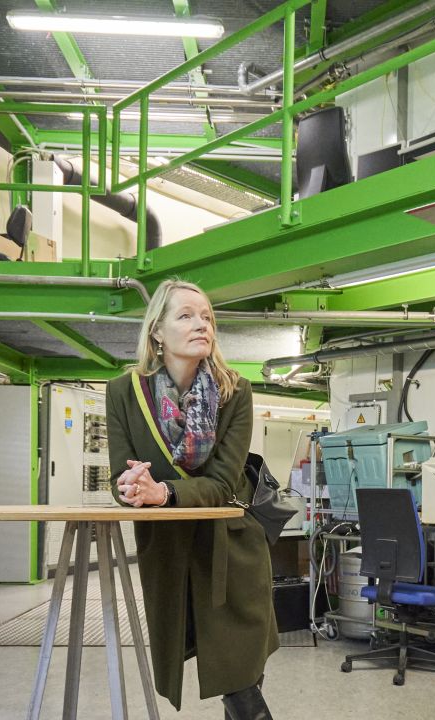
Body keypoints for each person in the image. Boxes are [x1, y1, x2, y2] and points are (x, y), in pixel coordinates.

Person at [106, 279, 278, 719]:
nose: (201, 324)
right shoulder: (124, 392)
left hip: (231, 550)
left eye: (206, 317)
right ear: (157, 332)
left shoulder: (234, 391)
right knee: (218, 670)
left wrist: (162, 492)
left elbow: (223, 482)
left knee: (241, 682)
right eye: (185, 315)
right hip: (169, 551)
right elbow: (120, 475)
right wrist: (128, 488)